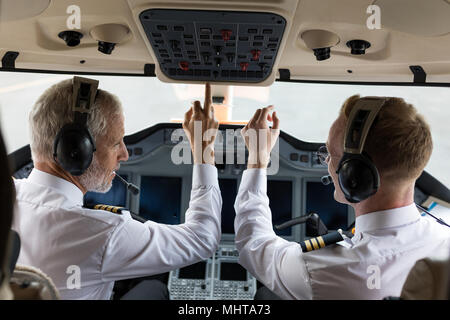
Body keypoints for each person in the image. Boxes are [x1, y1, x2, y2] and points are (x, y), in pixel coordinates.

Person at [12, 79, 221, 299]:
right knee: (155, 288)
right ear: (75, 150)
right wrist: (203, 149)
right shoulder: (102, 232)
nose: (125, 154)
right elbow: (202, 238)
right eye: (115, 144)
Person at [234, 97, 450, 300]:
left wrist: (257, 159)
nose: (327, 163)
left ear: (354, 175)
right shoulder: (444, 238)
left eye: (329, 154)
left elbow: (253, 244)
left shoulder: (325, 270)